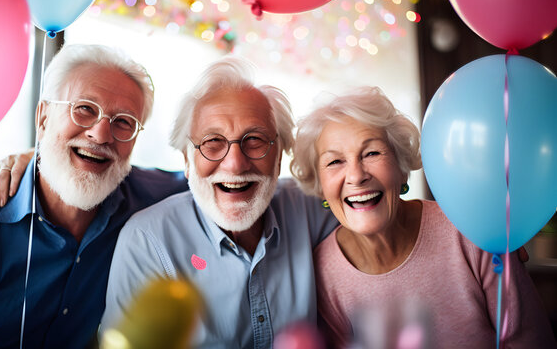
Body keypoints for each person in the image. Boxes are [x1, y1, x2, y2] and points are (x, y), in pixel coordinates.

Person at [0, 44, 188, 348]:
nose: (100, 134)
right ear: (43, 118)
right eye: (84, 108)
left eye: (123, 121)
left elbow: (213, 180)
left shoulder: (145, 199)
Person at [100, 56, 338, 348]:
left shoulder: (314, 207)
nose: (236, 165)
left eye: (255, 140)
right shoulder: (148, 240)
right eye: (213, 142)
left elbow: (367, 207)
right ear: (187, 161)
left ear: (279, 157)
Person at [290, 86, 556, 348]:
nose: (357, 176)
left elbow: (531, 341)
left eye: (371, 153)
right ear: (320, 184)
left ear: (401, 167)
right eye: (335, 162)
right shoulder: (320, 273)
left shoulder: (468, 229)